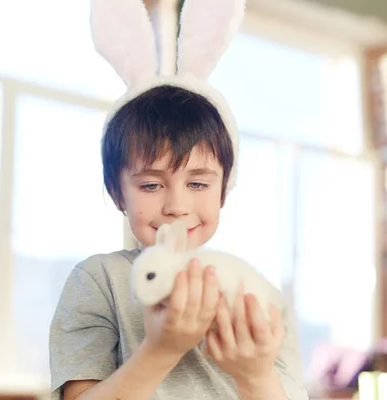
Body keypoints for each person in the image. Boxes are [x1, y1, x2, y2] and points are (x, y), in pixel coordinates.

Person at [49, 0, 309, 399]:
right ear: (117, 191)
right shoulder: (101, 282)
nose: (176, 206)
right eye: (151, 185)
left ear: (225, 189)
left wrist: (255, 377)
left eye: (199, 184)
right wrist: (161, 350)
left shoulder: (258, 294)